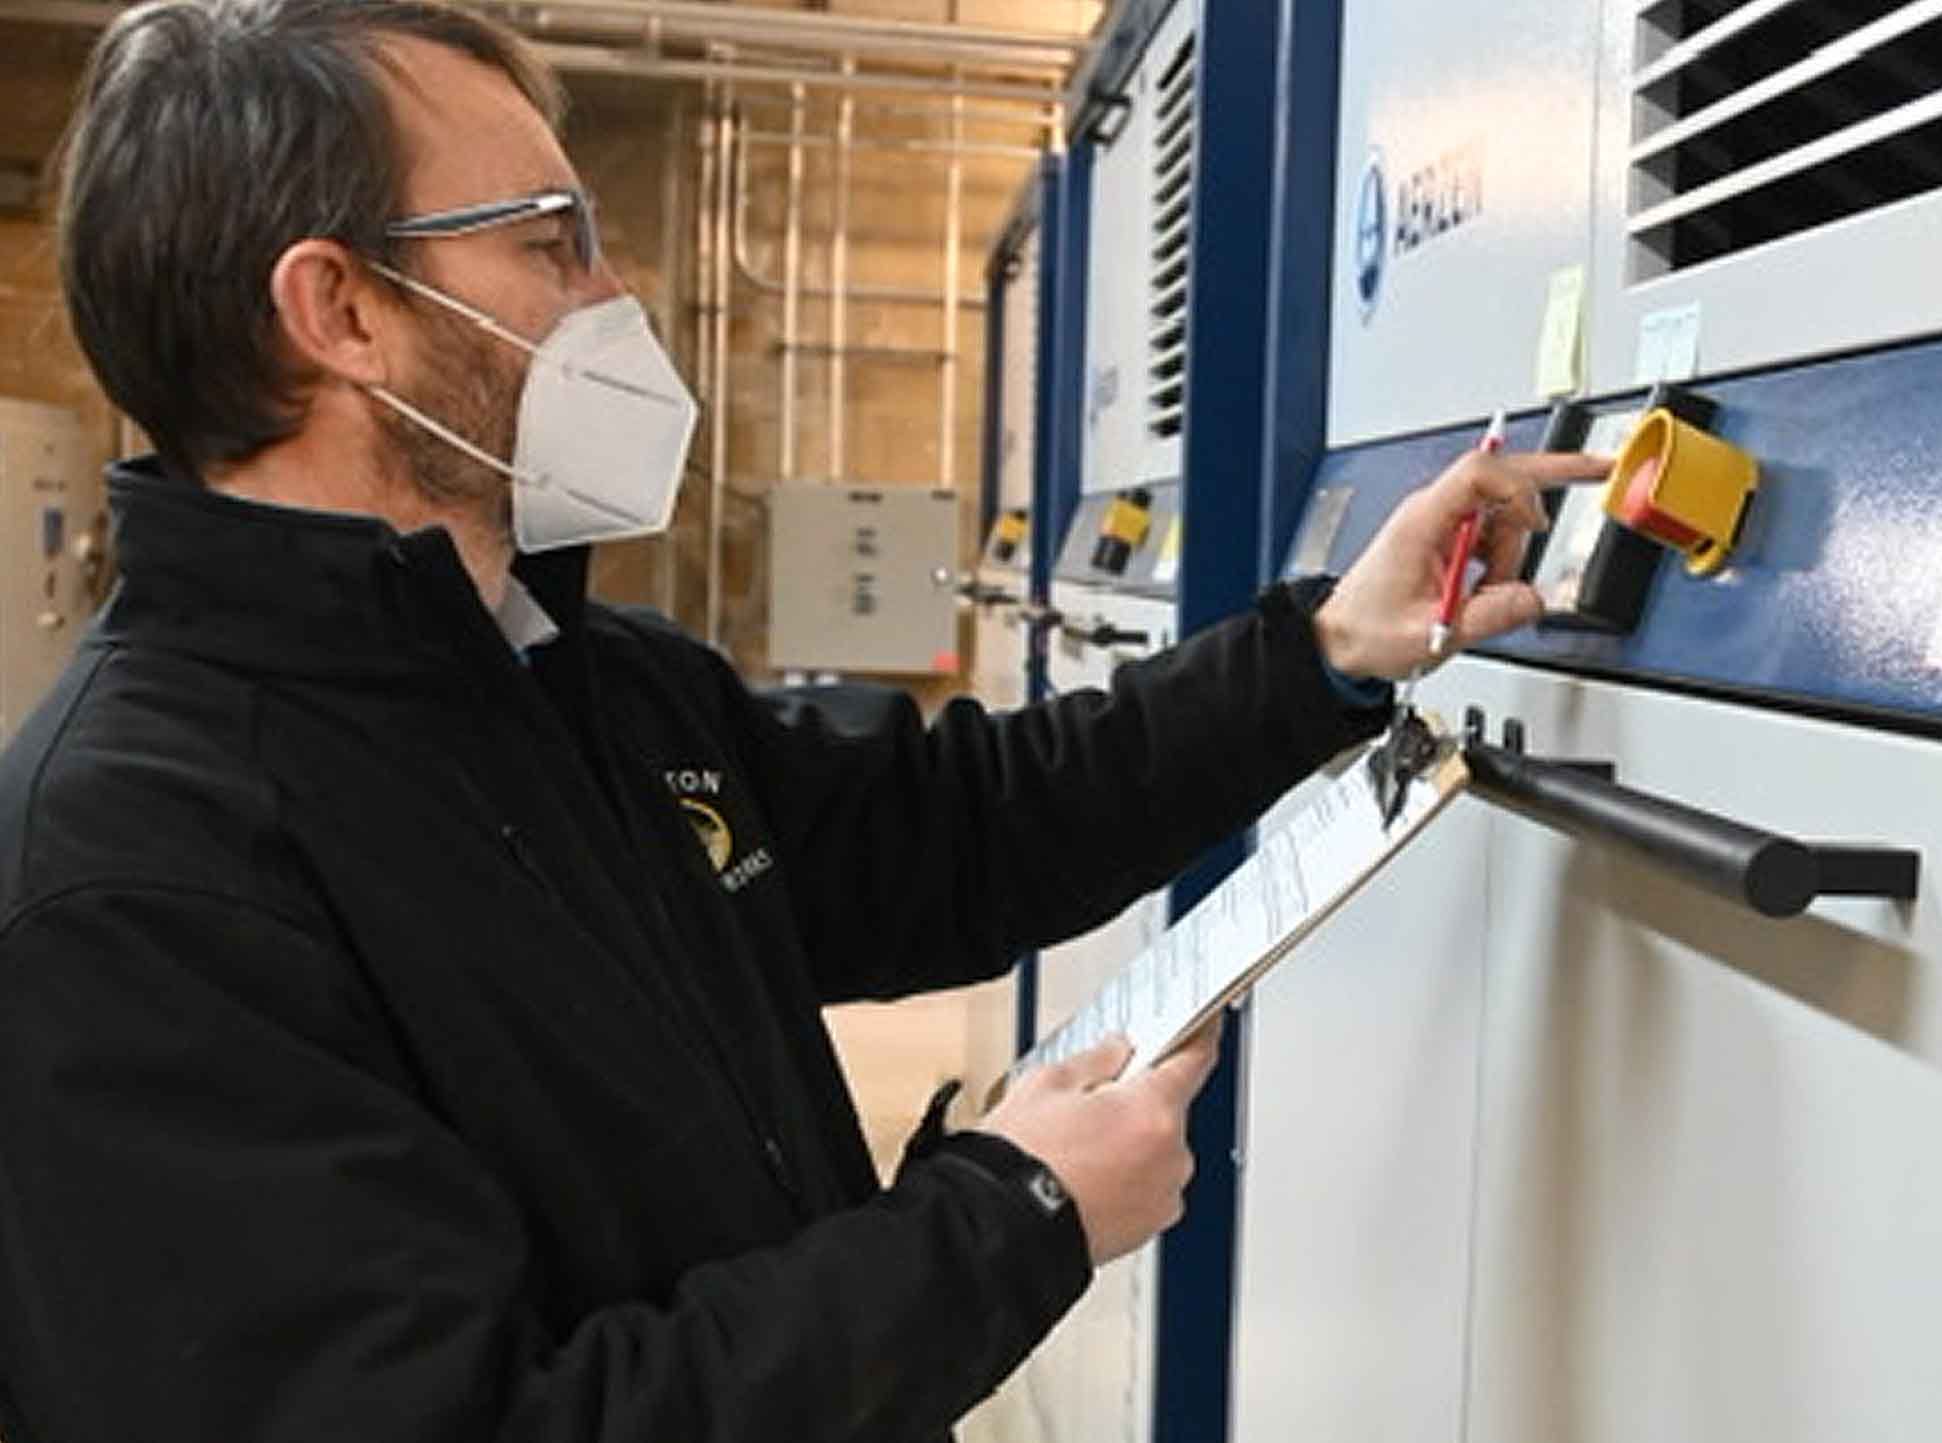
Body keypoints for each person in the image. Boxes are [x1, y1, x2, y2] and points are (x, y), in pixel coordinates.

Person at [0, 2, 1606, 1438]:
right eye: (552, 239)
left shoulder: (589, 683)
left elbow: (965, 834)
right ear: (338, 310)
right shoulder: (138, 874)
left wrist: (1324, 649)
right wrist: (1011, 1216)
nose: (610, 292)